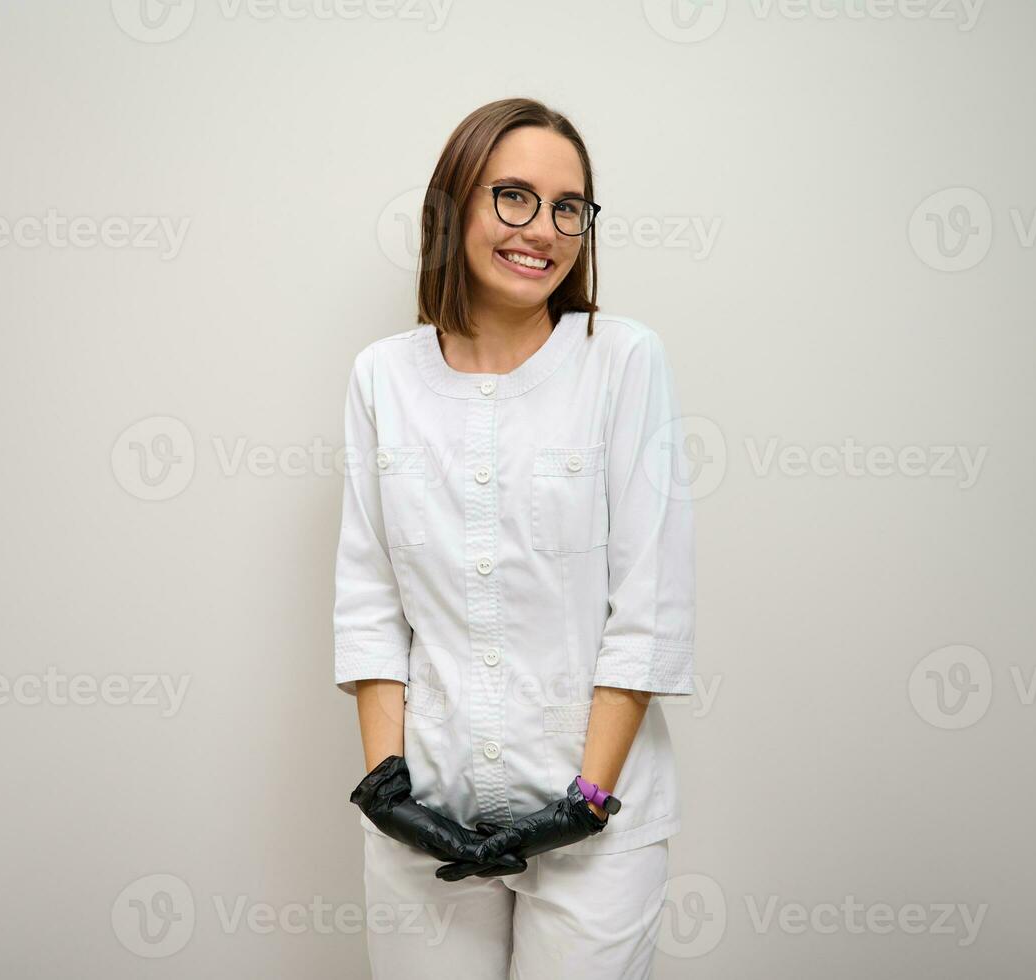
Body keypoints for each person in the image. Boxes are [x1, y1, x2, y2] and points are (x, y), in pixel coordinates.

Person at [332, 96, 697, 979]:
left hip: (594, 823)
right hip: (428, 808)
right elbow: (371, 598)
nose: (544, 228)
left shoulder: (623, 361)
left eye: (569, 207)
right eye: (514, 196)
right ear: (451, 207)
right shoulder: (383, 377)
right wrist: (389, 791)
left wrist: (584, 801)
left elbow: (646, 605)